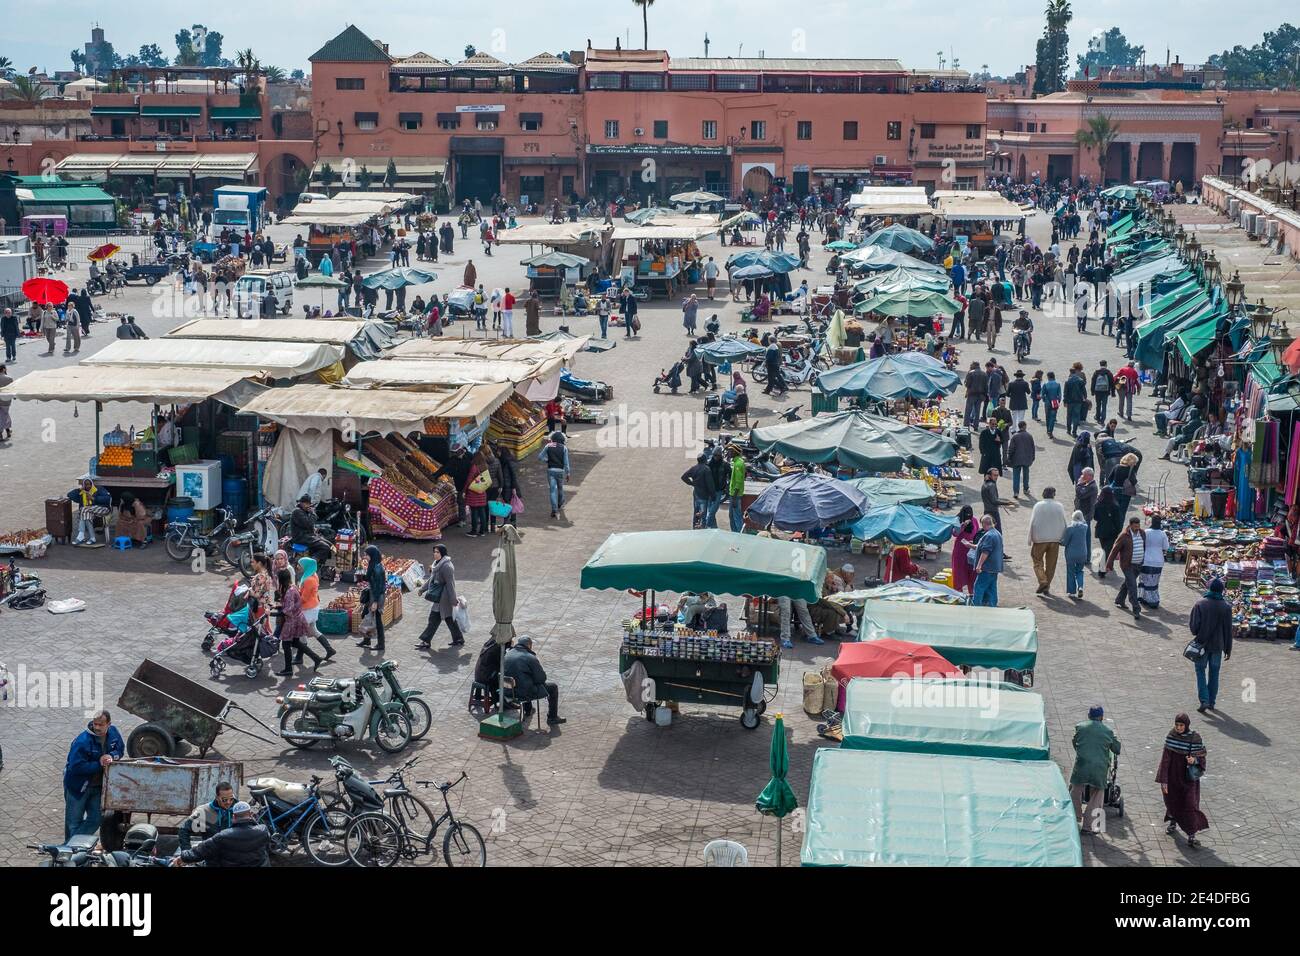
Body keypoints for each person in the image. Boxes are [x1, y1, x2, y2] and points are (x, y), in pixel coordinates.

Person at [63, 710, 124, 841]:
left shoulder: (114, 734)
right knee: (73, 822)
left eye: (101, 725)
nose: (97, 727)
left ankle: (70, 846)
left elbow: (120, 750)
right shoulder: (82, 741)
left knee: (96, 818)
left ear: (109, 724)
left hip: (98, 787)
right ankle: (72, 850)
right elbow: (75, 766)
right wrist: (99, 764)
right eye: (95, 724)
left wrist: (111, 756)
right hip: (78, 787)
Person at [1155, 713, 1209, 848]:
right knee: (1172, 801)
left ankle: (1191, 835)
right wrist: (1164, 780)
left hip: (1189, 780)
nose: (1178, 728)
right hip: (1173, 778)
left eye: (1181, 725)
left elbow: (1202, 757)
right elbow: (1165, 760)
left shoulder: (1195, 738)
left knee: (1190, 805)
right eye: (1177, 725)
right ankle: (1173, 822)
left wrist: (1194, 760)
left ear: (1187, 725)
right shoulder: (1171, 736)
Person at [1070, 705, 1121, 835]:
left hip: (1081, 765)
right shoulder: (1107, 732)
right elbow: (1117, 749)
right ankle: (1089, 826)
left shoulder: (1080, 727)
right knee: (1097, 794)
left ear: (1088, 716)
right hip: (1099, 769)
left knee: (1075, 790)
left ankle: (1073, 817)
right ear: (1102, 717)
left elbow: (1075, 742)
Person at [173, 801, 270, 867]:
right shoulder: (263, 830)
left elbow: (199, 851)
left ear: (233, 816)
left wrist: (182, 857)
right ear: (251, 815)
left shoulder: (223, 836)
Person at [1189, 577, 1233, 713]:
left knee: (1200, 671)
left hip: (1202, 645)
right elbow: (1228, 630)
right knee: (1214, 674)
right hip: (1217, 646)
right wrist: (1228, 649)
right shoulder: (1226, 607)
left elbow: (1194, 628)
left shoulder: (1200, 604)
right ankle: (1212, 702)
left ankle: (1204, 700)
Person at [503, 635, 565, 726]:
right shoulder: (530, 657)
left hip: (507, 691)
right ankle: (552, 717)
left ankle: (528, 709)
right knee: (553, 687)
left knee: (524, 680)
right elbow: (541, 678)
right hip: (523, 693)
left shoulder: (508, 654)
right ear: (529, 645)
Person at [415, 544, 464, 649]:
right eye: (434, 552)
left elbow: (451, 584)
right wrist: (422, 589)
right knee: (449, 618)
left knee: (434, 618)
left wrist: (453, 600)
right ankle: (458, 638)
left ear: (443, 553)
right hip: (440, 597)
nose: (435, 554)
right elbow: (431, 580)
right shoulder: (436, 564)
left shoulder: (447, 566)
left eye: (437, 552)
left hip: (444, 598)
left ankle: (426, 641)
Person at [275, 568, 322, 676]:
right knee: (296, 642)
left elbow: (288, 609)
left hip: (292, 621)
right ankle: (316, 658)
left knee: (286, 644)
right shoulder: (292, 587)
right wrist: (278, 606)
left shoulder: (289, 591)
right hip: (297, 619)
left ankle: (288, 669)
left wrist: (274, 613)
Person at [1028, 486, 1068, 595]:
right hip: (1055, 539)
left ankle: (1042, 580)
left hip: (1040, 539)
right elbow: (1064, 522)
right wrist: (1064, 537)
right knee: (1051, 565)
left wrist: (1029, 538)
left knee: (1037, 561)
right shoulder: (1059, 506)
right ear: (1053, 495)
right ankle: (1046, 586)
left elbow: (1032, 522)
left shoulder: (1038, 505)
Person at [295, 557, 336, 663]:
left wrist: (294, 597)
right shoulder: (312, 575)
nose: (298, 566)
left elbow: (304, 598)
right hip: (312, 608)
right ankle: (330, 649)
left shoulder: (309, 580)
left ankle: (300, 657)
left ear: (306, 566)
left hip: (308, 609)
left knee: (301, 632)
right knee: (313, 630)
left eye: (300, 565)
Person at [1106, 516, 1146, 622]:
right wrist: (1109, 564)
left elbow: (1144, 546)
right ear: (1131, 525)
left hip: (1138, 565)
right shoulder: (1124, 536)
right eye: (1135, 526)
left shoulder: (1142, 533)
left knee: (1128, 583)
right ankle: (1136, 609)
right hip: (1127, 565)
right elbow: (1115, 550)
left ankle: (1119, 600)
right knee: (1132, 586)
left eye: (1138, 526)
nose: (1137, 528)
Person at [178, 782, 237, 850]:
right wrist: (186, 853)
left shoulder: (239, 809)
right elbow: (184, 830)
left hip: (233, 854)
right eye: (224, 800)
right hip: (212, 854)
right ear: (217, 798)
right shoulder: (205, 811)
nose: (228, 802)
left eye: (231, 799)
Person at [355, 544, 388, 652]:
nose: (365, 557)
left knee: (378, 620)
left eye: (367, 555)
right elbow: (370, 580)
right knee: (364, 613)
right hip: (372, 595)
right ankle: (366, 639)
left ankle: (381, 644)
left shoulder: (377, 568)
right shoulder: (373, 564)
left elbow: (378, 587)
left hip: (377, 597)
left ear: (372, 555)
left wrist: (375, 602)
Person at [1136, 514, 1170, 609]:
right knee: (1153, 582)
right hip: (1158, 561)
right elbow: (1166, 547)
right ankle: (1153, 600)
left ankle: (1143, 597)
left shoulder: (1146, 532)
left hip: (1146, 560)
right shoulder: (1162, 533)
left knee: (1144, 579)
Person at [289, 495, 333, 565]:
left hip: (308, 536)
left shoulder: (304, 511)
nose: (309, 506)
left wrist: (315, 529)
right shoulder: (297, 512)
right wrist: (312, 513)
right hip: (301, 537)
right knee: (325, 547)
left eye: (309, 504)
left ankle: (321, 564)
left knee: (331, 545)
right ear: (302, 503)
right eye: (307, 504)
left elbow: (308, 526)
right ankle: (311, 563)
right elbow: (308, 523)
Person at [471, 635, 511, 712]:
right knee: (503, 679)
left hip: (480, 674)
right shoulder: (497, 649)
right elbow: (502, 663)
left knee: (499, 676)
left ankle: (500, 701)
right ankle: (502, 702)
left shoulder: (490, 644)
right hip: (485, 676)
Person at [972, 514, 1004, 607]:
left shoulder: (989, 535)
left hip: (987, 567)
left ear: (984, 524)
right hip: (995, 567)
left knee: (979, 587)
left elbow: (985, 552)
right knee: (991, 588)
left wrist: (979, 565)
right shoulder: (997, 533)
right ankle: (992, 605)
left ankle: (976, 606)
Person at [538, 431, 571, 519]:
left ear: (552, 438)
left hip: (551, 470)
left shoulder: (548, 446)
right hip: (560, 471)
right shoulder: (564, 448)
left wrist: (547, 461)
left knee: (552, 490)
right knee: (560, 488)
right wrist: (568, 473)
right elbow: (566, 463)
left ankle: (554, 509)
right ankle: (560, 503)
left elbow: (540, 457)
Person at [950, 505, 980, 596]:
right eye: (966, 514)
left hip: (971, 551)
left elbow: (977, 532)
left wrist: (974, 542)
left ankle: (972, 594)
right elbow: (955, 533)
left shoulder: (974, 520)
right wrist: (963, 526)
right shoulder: (957, 520)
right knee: (958, 573)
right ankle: (958, 594)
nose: (968, 515)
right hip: (960, 551)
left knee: (972, 573)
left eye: (970, 514)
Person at [681, 452, 716, 529]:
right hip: (704, 496)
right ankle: (702, 530)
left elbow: (683, 477)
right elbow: (710, 484)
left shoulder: (694, 468)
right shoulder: (706, 469)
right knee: (703, 514)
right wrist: (713, 496)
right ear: (705, 460)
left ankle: (695, 528)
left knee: (696, 512)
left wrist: (692, 483)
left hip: (696, 494)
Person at [1005, 420, 1036, 497]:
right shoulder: (1029, 436)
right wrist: (1032, 458)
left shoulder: (1015, 436)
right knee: (1026, 475)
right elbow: (1033, 448)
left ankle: (1016, 492)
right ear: (1025, 426)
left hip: (1016, 459)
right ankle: (1026, 489)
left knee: (1016, 476)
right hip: (1026, 459)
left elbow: (1011, 448)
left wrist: (1009, 458)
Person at [464, 451, 491, 537]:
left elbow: (469, 480)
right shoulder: (485, 466)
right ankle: (482, 531)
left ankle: (474, 531)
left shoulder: (474, 467)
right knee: (482, 511)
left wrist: (464, 490)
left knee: (474, 512)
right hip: (482, 491)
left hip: (474, 492)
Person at [1041, 370, 1062, 437]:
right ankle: (1050, 430)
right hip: (1055, 402)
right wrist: (1058, 401)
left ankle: (1048, 430)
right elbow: (1060, 395)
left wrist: (1044, 400)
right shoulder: (1057, 384)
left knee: (1047, 417)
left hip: (1047, 402)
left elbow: (1042, 394)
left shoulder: (1045, 384)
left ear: (1048, 377)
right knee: (1053, 417)